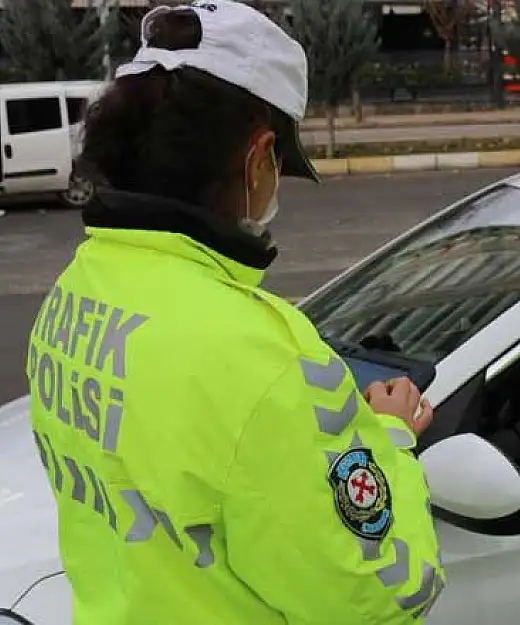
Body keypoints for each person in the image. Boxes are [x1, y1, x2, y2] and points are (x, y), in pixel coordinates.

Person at [23, 1, 444, 623]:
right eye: (279, 165)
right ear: (257, 156)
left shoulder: (77, 291)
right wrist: (389, 442)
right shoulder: (263, 356)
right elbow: (379, 599)